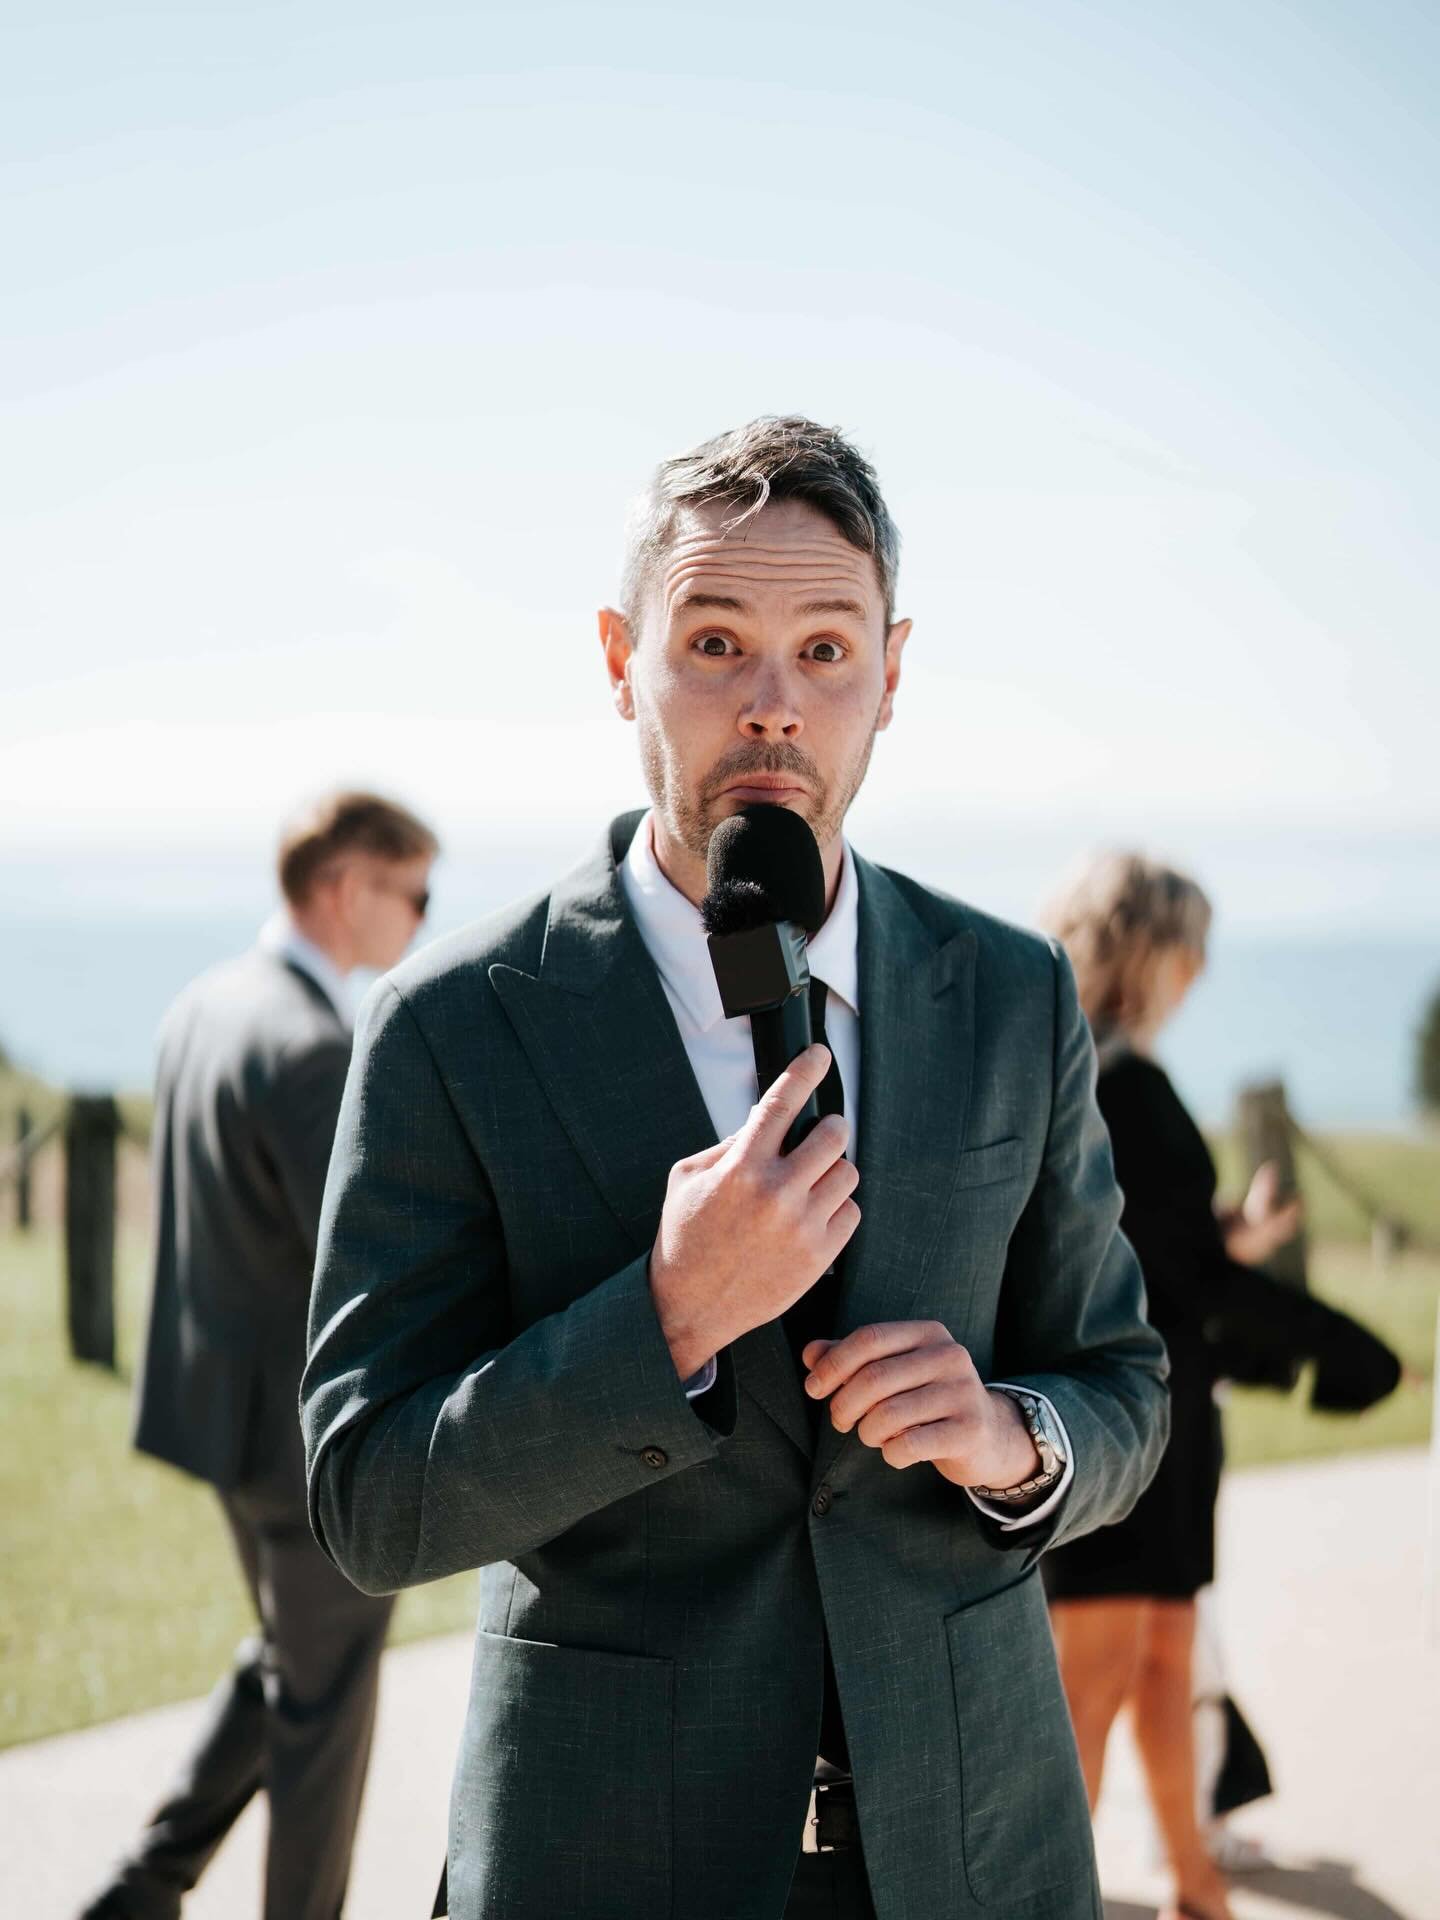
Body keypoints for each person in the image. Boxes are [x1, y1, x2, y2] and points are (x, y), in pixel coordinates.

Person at [300, 416, 1171, 1920]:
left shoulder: (1011, 992)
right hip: (609, 1858)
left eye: (825, 650)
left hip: (977, 1853)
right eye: (715, 641)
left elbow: (1125, 1387)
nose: (773, 706)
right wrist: (665, 1320)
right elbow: (371, 1497)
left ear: (892, 674)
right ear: (619, 656)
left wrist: (1014, 1437)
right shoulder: (454, 1025)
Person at [80, 790, 440, 1920]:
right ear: (348, 888)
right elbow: (372, 1262)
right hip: (304, 1445)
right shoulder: (314, 1047)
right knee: (324, 1715)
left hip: (220, 1417)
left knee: (292, 1659)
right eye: (414, 894)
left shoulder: (207, 1004)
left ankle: (143, 1887)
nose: (423, 923)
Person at [1038, 852, 1399, 1920]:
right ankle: (1053, 1898)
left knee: (1160, 1659)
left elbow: (1147, 1249)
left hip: (1152, 1420)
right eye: (1188, 946)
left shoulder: (1082, 1076)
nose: (1199, 970)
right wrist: (1338, 1347)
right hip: (1132, 1420)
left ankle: (1196, 1884)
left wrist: (1222, 1235)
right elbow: (1170, 1274)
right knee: (1097, 1679)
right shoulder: (1124, 1086)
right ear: (1149, 953)